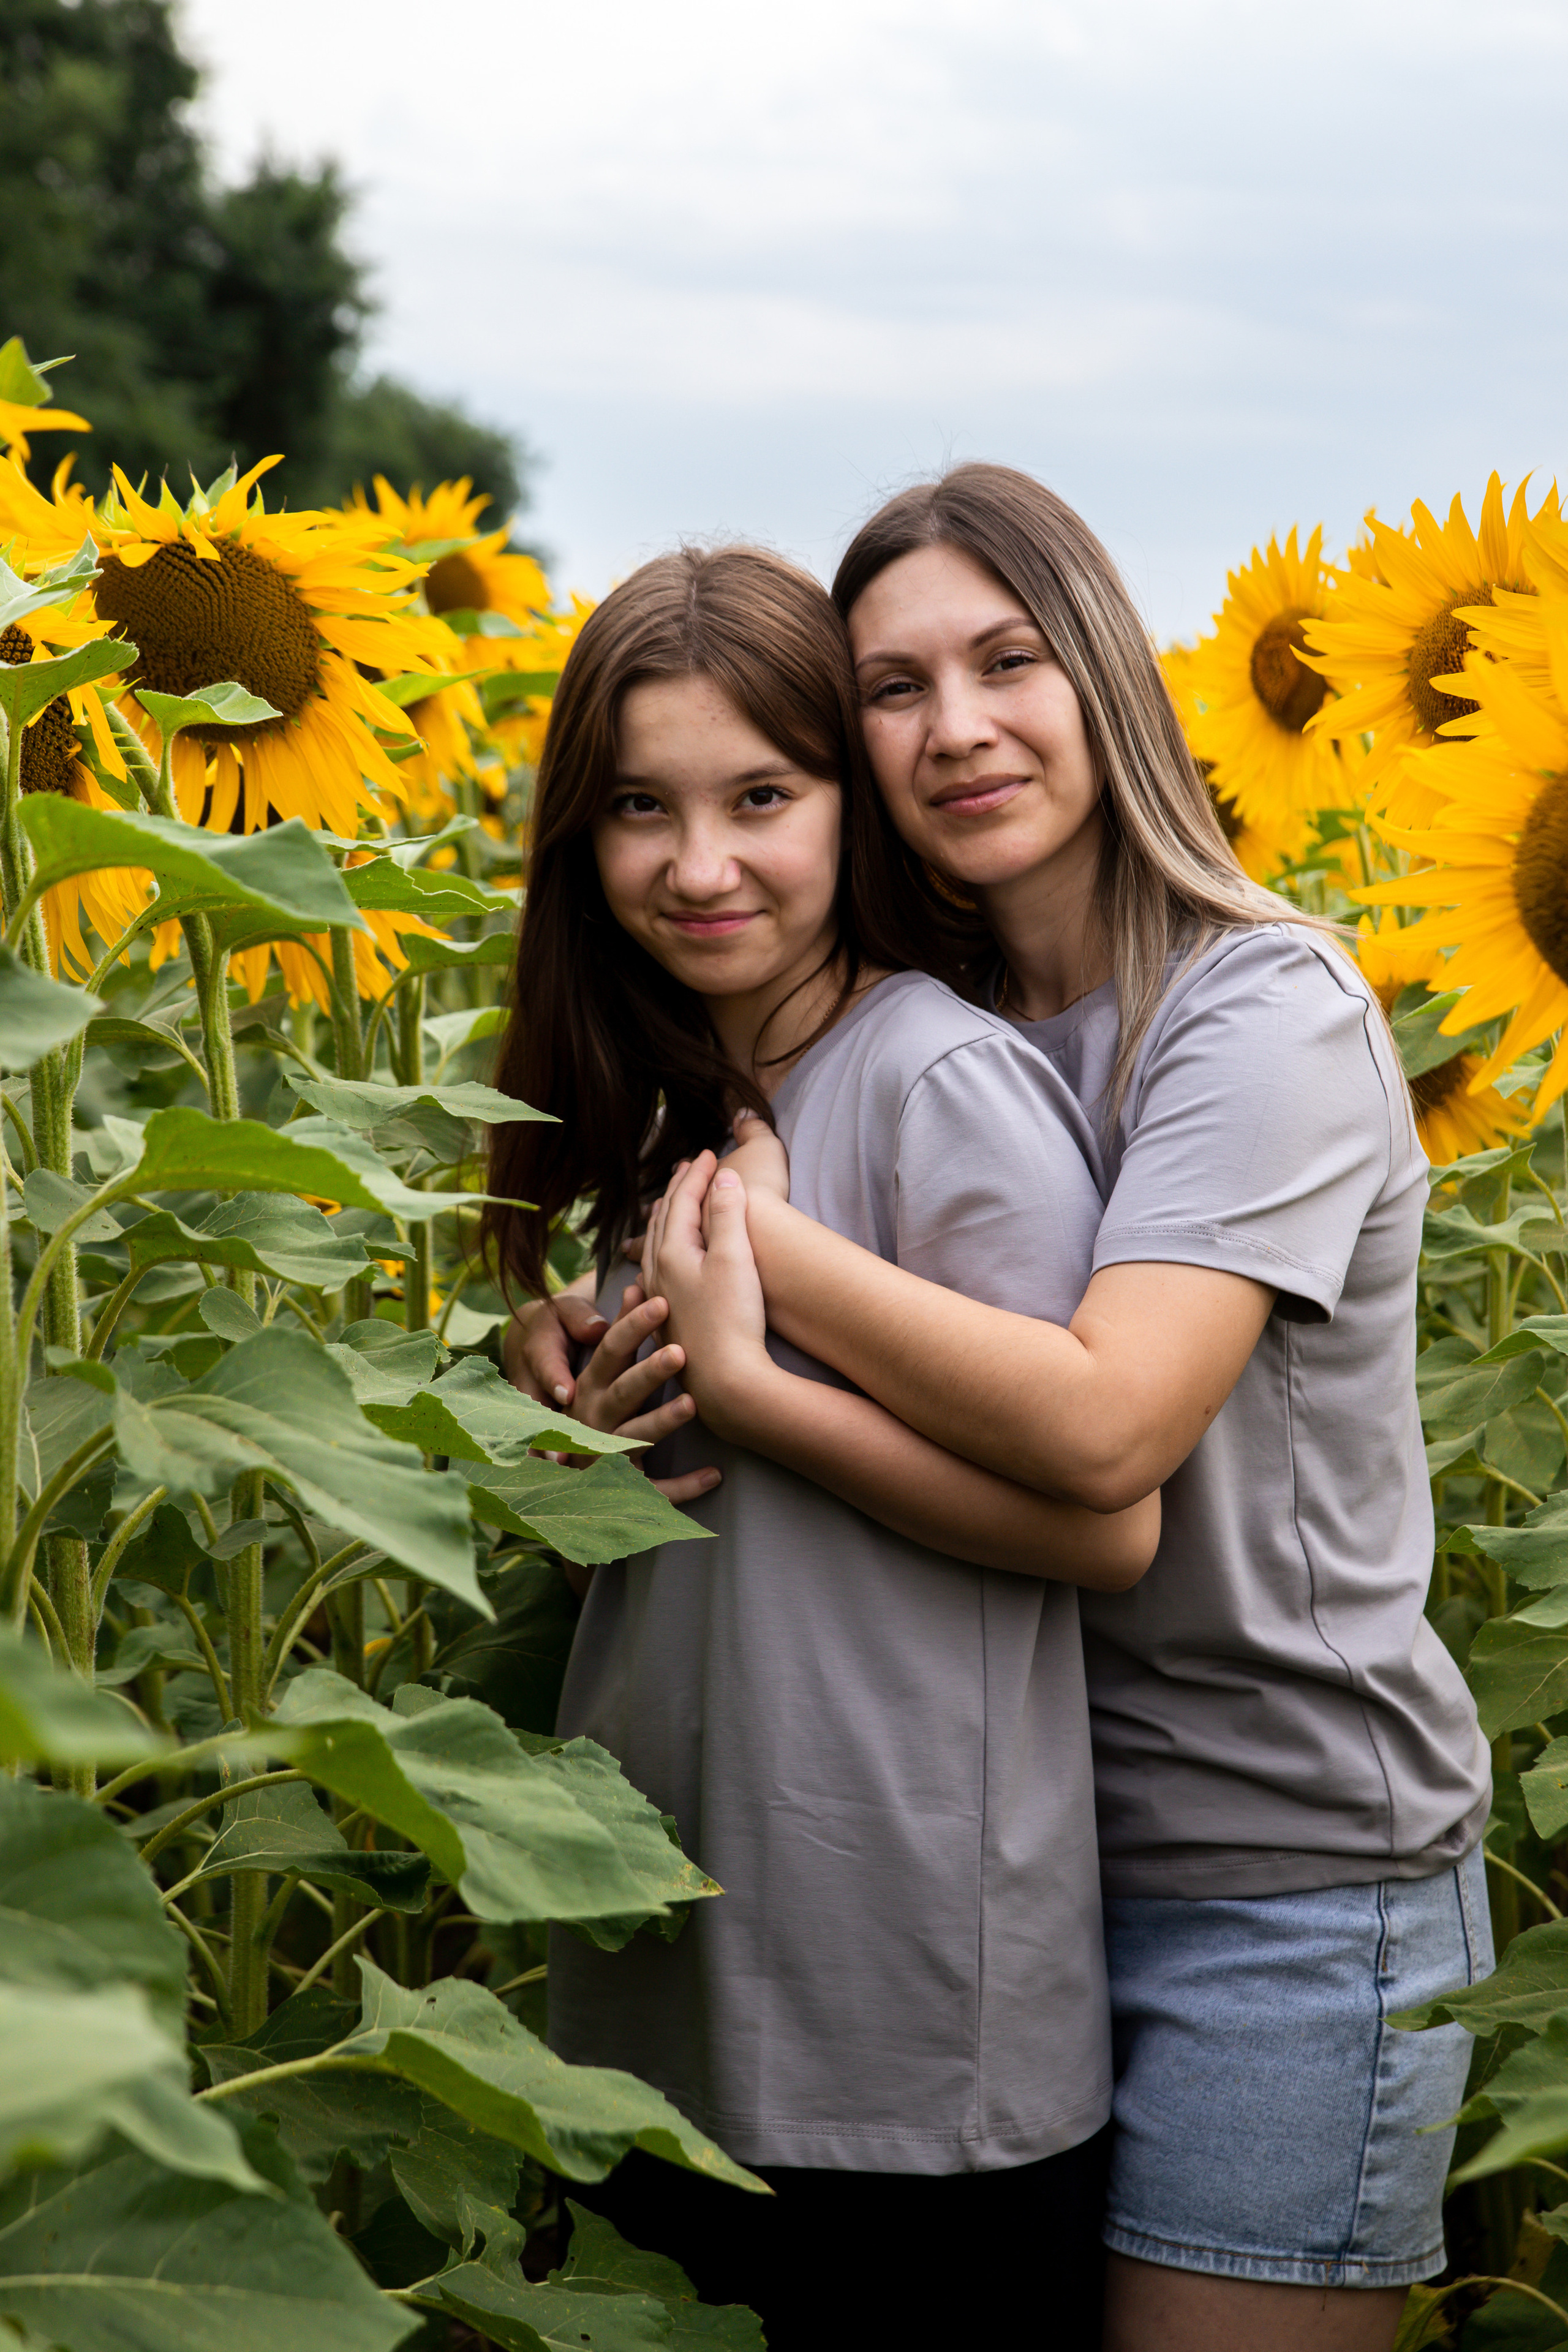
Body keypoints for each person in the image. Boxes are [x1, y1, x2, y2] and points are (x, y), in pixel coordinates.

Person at [516, 471, 1495, 2352]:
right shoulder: (944, 1013)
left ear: (1106, 671)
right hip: (1010, 1868)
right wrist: (601, 1309)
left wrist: (742, 1270)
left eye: (1008, 660)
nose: (956, 728)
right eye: (894, 688)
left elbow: (1108, 1435)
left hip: (1272, 1875)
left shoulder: (1258, 1009)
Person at [484, 541, 1160, 2348]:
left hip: (902, 2035)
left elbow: (1101, 1521)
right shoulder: (677, 1118)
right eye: (639, 807)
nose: (698, 866)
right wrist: (537, 1397)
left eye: (762, 798)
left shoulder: (936, 1082)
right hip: (668, 2013)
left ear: (850, 811)